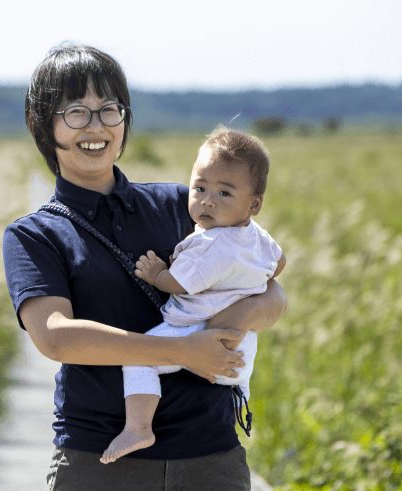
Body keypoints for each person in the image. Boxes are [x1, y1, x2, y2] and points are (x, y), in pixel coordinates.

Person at [2, 44, 287, 490]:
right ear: (42, 124)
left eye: (109, 109)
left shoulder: (184, 205)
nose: (96, 126)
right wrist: (182, 351)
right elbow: (55, 336)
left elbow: (271, 291)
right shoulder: (34, 235)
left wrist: (228, 324)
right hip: (100, 462)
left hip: (210, 456)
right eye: (76, 112)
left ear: (124, 119)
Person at [101, 126, 287, 464]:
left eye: (224, 194)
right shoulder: (256, 236)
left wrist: (157, 274)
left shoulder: (214, 245)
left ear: (254, 203)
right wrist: (247, 281)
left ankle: (139, 426)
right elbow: (279, 264)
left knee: (139, 360)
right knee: (233, 390)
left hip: (195, 331)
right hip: (243, 348)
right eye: (199, 188)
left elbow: (182, 283)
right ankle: (234, 413)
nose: (208, 200)